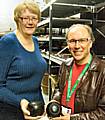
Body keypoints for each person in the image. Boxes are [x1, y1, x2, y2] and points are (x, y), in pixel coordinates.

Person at [0, 1, 47, 120]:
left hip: (35, 109)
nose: (30, 22)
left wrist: (43, 106)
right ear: (18, 20)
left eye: (34, 18)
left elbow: (35, 82)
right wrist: (20, 102)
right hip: (11, 111)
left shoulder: (35, 41)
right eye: (25, 18)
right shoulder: (8, 42)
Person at [51, 24, 105, 120]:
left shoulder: (102, 71)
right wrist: (55, 102)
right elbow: (59, 89)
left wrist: (73, 119)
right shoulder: (65, 65)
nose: (77, 46)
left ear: (91, 42)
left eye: (82, 40)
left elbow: (103, 113)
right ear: (67, 44)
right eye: (72, 41)